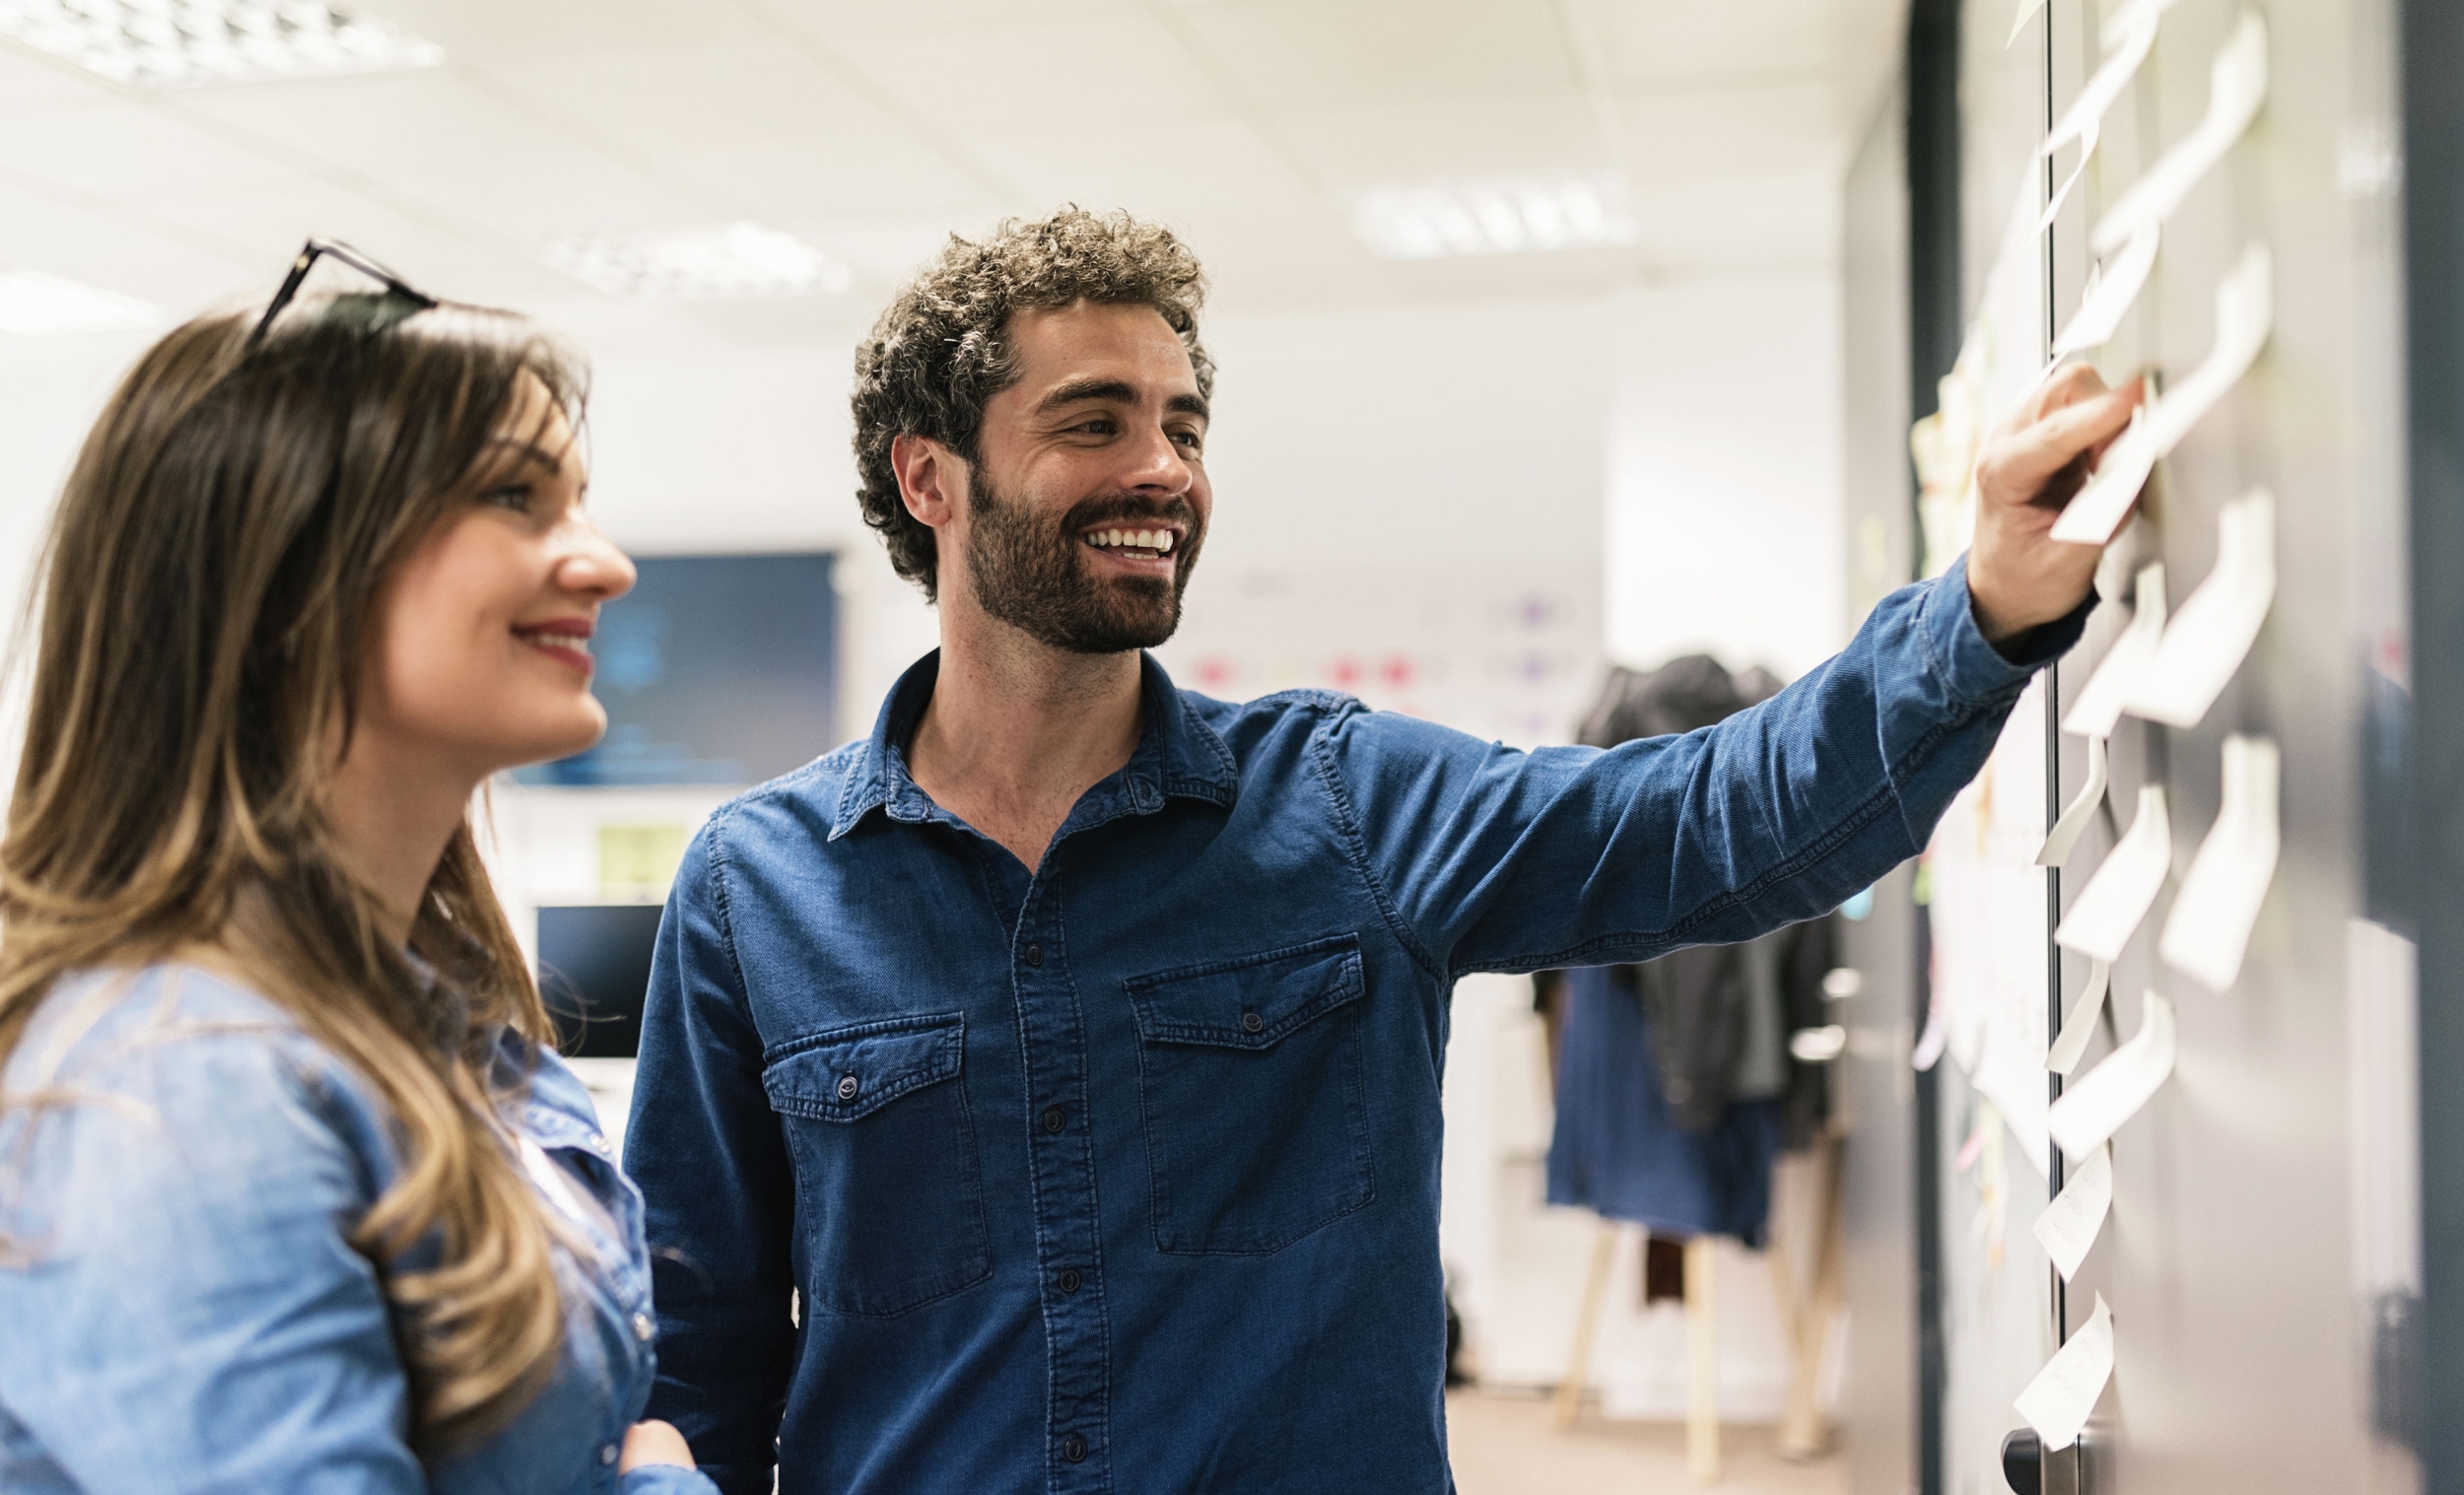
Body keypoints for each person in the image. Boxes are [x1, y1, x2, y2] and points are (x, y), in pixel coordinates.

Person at [626, 208, 2142, 1494]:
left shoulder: (1342, 803)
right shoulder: (757, 889)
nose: (1163, 466)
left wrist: (1987, 612)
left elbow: (1705, 826)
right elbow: (699, 1351)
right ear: (929, 478)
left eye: (1185, 425)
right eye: (1094, 420)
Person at [0, 243, 716, 1494]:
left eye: (578, 501)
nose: (603, 563)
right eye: (514, 497)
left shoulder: (426, 1015)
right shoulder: (182, 1082)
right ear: (281, 568)